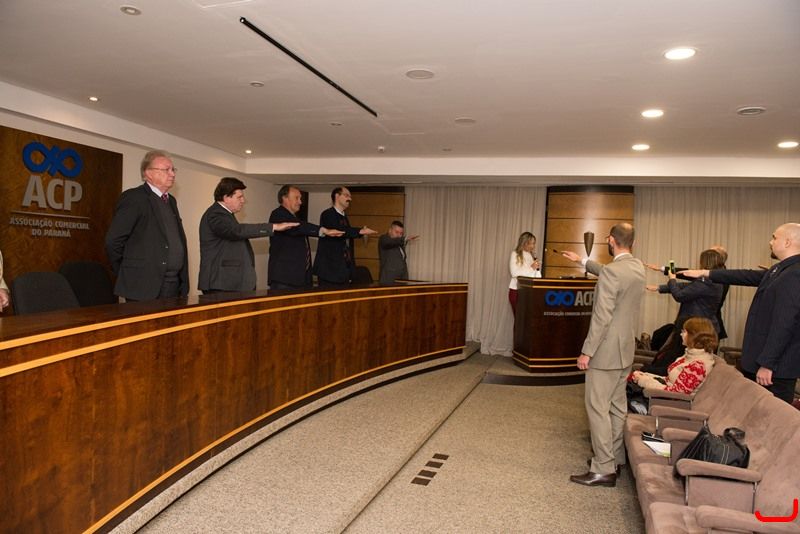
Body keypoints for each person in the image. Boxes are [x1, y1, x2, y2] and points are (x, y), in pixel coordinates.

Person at [561, 223, 646, 487]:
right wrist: (583, 261)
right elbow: (609, 272)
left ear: (611, 240)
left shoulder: (612, 273)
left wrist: (587, 352)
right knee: (617, 407)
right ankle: (615, 459)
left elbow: (601, 317)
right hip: (625, 351)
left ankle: (603, 468)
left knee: (597, 407)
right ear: (632, 242)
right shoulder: (637, 267)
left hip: (605, 352)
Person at [682, 223, 800, 403]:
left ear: (787, 242)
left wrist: (768, 363)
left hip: (775, 369)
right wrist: (706, 273)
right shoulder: (780, 269)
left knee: (769, 416)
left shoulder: (794, 273)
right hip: (763, 362)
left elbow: (784, 323)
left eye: (775, 237)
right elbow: (745, 276)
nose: (770, 242)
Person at [105, 150, 189, 301]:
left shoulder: (171, 200)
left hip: (174, 284)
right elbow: (113, 241)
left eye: (173, 169)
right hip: (143, 285)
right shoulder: (134, 198)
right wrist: (127, 271)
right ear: (149, 173)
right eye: (166, 170)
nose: (172, 174)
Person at [198, 178, 298, 294]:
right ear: (226, 198)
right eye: (239, 197)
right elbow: (236, 231)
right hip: (221, 283)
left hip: (228, 283)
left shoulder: (225, 214)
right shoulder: (216, 213)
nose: (243, 201)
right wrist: (273, 227)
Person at [644, 245, 729, 340]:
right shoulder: (712, 278)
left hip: (698, 328)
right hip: (701, 326)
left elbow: (679, 296)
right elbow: (687, 285)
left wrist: (672, 280)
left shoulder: (709, 281)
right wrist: (659, 287)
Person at [267, 185, 343, 290]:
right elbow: (298, 227)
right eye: (296, 198)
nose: (300, 202)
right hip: (284, 278)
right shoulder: (277, 214)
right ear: (285, 199)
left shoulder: (295, 218)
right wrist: (324, 230)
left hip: (301, 278)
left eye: (300, 198)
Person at [631, 317, 718, 395]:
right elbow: (669, 380)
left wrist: (643, 381)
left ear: (694, 335)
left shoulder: (698, 365)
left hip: (669, 403)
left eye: (684, 331)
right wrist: (646, 376)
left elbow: (675, 393)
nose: (680, 334)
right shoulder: (691, 355)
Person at [313, 187, 376, 287]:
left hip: (343, 273)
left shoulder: (344, 217)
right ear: (337, 196)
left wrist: (350, 271)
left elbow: (347, 242)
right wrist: (359, 231)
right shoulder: (327, 214)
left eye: (350, 196)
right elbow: (339, 231)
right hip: (330, 272)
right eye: (346, 195)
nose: (350, 199)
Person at [508, 232, 541, 315]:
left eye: (533, 243)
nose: (532, 246)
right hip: (517, 291)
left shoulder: (531, 255)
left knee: (527, 319)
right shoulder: (515, 254)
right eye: (530, 243)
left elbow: (534, 275)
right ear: (523, 242)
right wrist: (531, 268)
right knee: (519, 319)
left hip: (529, 291)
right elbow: (514, 273)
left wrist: (537, 270)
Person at [378, 221, 419, 285]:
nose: (398, 235)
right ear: (390, 230)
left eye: (401, 233)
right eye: (396, 232)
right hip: (388, 280)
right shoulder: (384, 239)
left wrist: (405, 278)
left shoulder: (400, 245)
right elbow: (390, 242)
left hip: (401, 280)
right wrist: (405, 239)